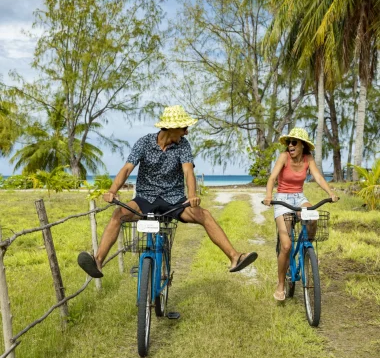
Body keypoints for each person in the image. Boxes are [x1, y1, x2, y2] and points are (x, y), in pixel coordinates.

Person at [78, 105, 258, 278]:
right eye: (184, 128)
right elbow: (127, 169)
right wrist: (112, 191)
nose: (186, 132)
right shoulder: (144, 142)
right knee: (118, 214)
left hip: (174, 200)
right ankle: (98, 260)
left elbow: (188, 172)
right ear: (172, 128)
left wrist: (193, 195)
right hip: (145, 198)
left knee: (205, 215)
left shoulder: (183, 145)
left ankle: (235, 257)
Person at [262, 127, 338, 302]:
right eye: (289, 142)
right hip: (282, 198)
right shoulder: (284, 157)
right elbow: (272, 178)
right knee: (286, 245)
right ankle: (280, 284)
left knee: (312, 216)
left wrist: (330, 193)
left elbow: (318, 177)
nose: (290, 145)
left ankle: (307, 250)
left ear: (302, 145)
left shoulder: (308, 158)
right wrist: (268, 195)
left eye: (294, 142)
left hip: (299, 196)